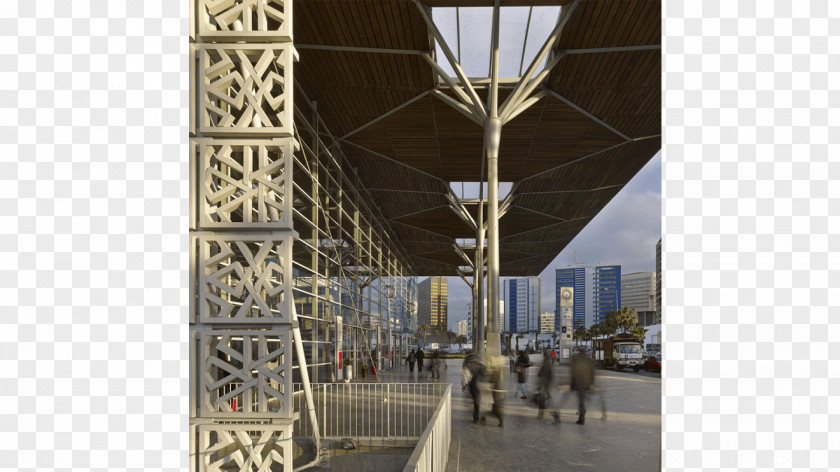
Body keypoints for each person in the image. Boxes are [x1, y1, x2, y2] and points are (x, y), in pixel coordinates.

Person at [569, 347, 595, 425]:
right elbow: (592, 372)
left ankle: (582, 417)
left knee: (581, 400)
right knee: (582, 399)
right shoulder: (588, 360)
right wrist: (591, 383)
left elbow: (573, 373)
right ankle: (582, 412)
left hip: (578, 382)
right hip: (586, 383)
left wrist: (572, 385)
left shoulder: (575, 359)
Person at [462, 354, 486, 424]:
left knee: (476, 402)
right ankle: (483, 416)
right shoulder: (482, 365)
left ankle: (476, 418)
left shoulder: (468, 365)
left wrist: (464, 386)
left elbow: (466, 377)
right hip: (483, 385)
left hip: (474, 386)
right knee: (483, 401)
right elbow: (486, 375)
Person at [536, 350, 559, 422]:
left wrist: (539, 375)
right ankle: (544, 413)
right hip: (546, 383)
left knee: (542, 400)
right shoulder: (548, 361)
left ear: (544, 355)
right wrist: (550, 381)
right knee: (545, 399)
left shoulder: (545, 362)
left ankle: (543, 414)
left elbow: (542, 372)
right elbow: (551, 372)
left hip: (544, 383)